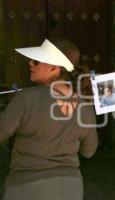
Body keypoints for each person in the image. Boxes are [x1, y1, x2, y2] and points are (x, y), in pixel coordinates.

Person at [0, 38, 98, 200]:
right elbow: (88, 151)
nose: (30, 63)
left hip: (29, 188)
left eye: (37, 61)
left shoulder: (26, 98)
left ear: (54, 67)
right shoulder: (85, 106)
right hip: (71, 188)